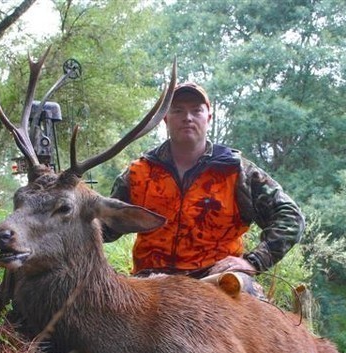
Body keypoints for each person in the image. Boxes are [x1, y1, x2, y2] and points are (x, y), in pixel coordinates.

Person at [103, 82, 305, 288]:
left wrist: (254, 261)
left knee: (252, 310)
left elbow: (291, 217)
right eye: (178, 110)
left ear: (209, 117)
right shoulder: (139, 172)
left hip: (216, 279)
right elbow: (105, 227)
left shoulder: (236, 171)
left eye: (196, 110)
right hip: (149, 281)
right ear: (166, 119)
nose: (187, 117)